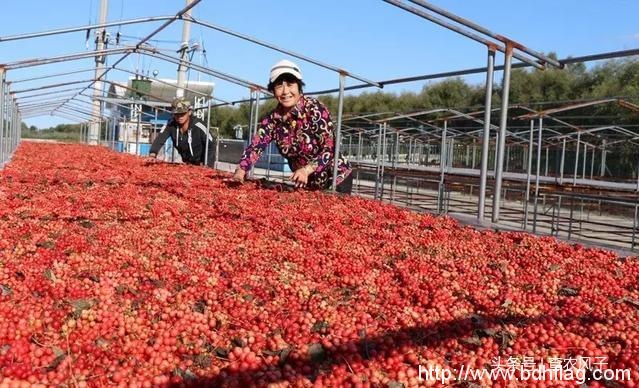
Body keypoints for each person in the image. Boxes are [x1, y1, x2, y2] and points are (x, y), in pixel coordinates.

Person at [232, 59, 353, 193]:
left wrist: (306, 170)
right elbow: (256, 146)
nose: (285, 91)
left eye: (290, 85)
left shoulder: (315, 109)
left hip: (336, 177)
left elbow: (329, 148)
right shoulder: (272, 120)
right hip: (306, 183)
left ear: (299, 87)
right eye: (279, 86)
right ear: (273, 91)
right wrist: (240, 171)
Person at [147, 97, 216, 167]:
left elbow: (211, 143)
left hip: (201, 163)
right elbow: (160, 138)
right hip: (187, 163)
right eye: (176, 114)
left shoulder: (199, 125)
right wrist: (153, 154)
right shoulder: (170, 124)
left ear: (189, 112)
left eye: (182, 113)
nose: (179, 117)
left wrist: (207, 164)